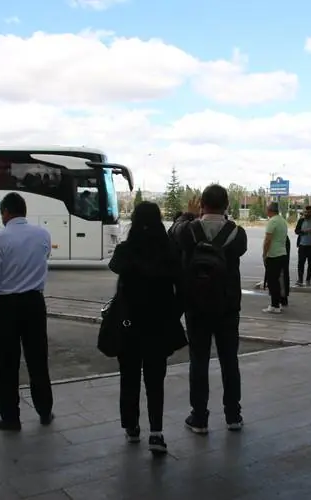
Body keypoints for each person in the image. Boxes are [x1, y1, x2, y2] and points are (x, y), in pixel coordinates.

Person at [169, 185, 247, 434]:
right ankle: (233, 415)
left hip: (196, 306)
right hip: (227, 307)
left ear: (201, 204)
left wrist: (187, 215)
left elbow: (173, 236)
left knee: (199, 361)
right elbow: (238, 253)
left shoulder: (189, 231)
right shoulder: (238, 233)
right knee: (229, 360)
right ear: (226, 205)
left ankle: (199, 417)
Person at [108, 201, 183, 454]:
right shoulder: (169, 250)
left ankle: (131, 427)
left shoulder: (126, 250)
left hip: (129, 323)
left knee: (129, 376)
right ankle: (156, 432)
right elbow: (179, 285)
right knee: (155, 379)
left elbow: (114, 267)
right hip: (158, 324)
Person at [0, 192, 54, 431]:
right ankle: (44, 411)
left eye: (2, 212)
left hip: (8, 307)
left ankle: (11, 417)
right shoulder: (43, 234)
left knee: (7, 364)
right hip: (35, 303)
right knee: (38, 360)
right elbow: (44, 258)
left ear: (7, 212)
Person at [262, 202, 289, 314]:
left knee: (272, 281)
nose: (266, 211)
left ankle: (275, 306)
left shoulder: (272, 221)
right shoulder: (282, 221)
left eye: (267, 209)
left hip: (273, 255)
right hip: (282, 253)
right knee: (277, 280)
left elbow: (268, 240)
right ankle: (277, 303)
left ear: (270, 210)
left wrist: (264, 253)